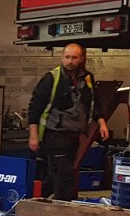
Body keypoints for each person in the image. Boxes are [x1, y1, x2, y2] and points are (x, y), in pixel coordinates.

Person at [27, 43, 108, 200]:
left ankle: (31, 200)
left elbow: (93, 103)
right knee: (66, 174)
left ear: (81, 59)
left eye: (74, 58)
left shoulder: (87, 78)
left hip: (74, 135)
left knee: (55, 175)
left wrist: (102, 123)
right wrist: (33, 135)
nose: (70, 61)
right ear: (62, 57)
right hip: (54, 134)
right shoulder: (51, 78)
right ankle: (63, 207)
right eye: (67, 57)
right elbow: (35, 107)